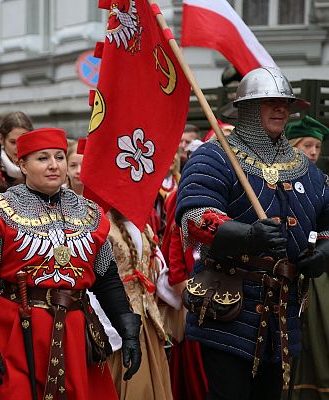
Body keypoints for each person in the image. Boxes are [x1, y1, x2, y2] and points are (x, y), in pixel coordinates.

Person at [176, 67, 329, 400]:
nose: (280, 110)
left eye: (285, 103)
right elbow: (195, 217)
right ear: (245, 108)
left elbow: (327, 222)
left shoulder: (306, 169)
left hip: (283, 312)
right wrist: (246, 234)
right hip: (229, 306)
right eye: (269, 102)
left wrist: (324, 252)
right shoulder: (214, 156)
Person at [0, 127, 142, 400]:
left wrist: (127, 327)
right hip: (15, 331)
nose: (53, 165)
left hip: (73, 331)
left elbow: (107, 280)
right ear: (22, 164)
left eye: (59, 157)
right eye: (42, 158)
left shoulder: (91, 213)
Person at [104, 209, 173, 399]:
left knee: (154, 378)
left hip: (148, 316)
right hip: (120, 319)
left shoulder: (145, 227)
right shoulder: (105, 230)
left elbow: (159, 273)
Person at [283, 115, 329, 399]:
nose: (313, 152)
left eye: (317, 146)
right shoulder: (278, 178)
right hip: (287, 269)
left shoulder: (324, 183)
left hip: (318, 274)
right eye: (307, 145)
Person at [0, 111, 33, 194]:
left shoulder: (38, 169)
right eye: (13, 142)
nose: (18, 147)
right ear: (1, 139)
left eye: (23, 141)